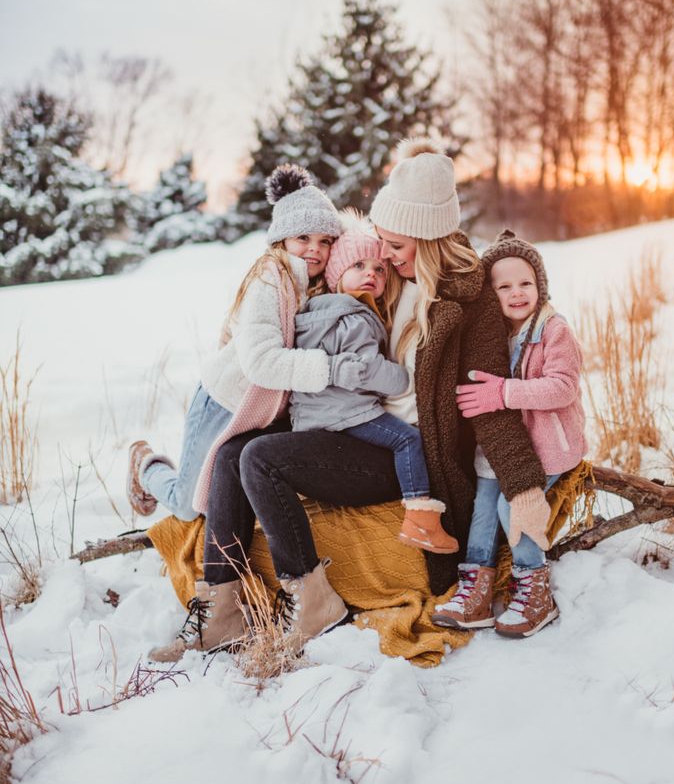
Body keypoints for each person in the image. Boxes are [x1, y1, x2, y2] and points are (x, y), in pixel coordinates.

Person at [197, 139, 551, 656]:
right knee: (233, 452)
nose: (381, 255)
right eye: (380, 242)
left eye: (395, 246)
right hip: (350, 421)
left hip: (402, 452)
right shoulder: (386, 283)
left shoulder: (468, 310)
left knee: (261, 459)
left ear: (429, 240)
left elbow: (489, 408)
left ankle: (313, 600)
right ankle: (221, 606)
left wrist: (523, 487)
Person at [138, 165, 370, 662]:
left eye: (324, 240)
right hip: (222, 401)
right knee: (185, 503)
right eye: (301, 237)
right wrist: (333, 368)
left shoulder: (311, 283)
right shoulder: (271, 276)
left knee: (234, 466)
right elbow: (262, 360)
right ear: (280, 240)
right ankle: (144, 467)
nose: (313, 248)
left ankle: (226, 612)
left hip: (262, 410)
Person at [432, 228, 587, 638]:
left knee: (510, 508)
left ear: (540, 285)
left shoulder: (554, 330)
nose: (517, 293)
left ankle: (534, 586)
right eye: (504, 287)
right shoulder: (492, 333)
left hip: (549, 446)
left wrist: (504, 392)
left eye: (526, 283)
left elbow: (562, 387)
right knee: (482, 512)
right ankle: (476, 591)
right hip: (499, 449)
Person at [290, 214, 458, 554]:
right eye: (359, 266)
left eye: (380, 269)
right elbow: (365, 370)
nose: (371, 273)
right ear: (337, 275)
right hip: (345, 413)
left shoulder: (315, 312)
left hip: (312, 415)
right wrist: (401, 378)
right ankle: (420, 521)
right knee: (408, 440)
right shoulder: (354, 315)